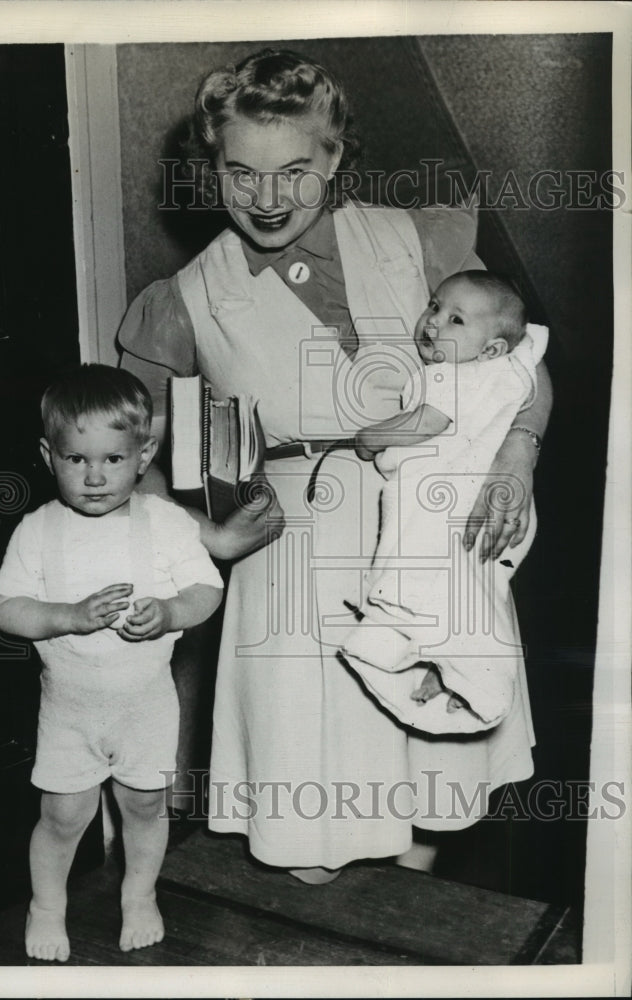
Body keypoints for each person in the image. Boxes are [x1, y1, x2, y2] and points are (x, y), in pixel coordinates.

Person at [117, 49, 552, 882]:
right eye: (241, 173)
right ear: (212, 168)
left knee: (433, 803)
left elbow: (518, 369)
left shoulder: (415, 240)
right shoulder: (185, 298)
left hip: (435, 530)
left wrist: (516, 455)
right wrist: (205, 533)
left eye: (293, 171)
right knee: (316, 840)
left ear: (334, 159)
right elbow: (128, 451)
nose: (268, 198)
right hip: (295, 554)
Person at [0, 364, 223, 961]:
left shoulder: (165, 523)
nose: (94, 477)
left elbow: (207, 589)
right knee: (64, 815)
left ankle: (139, 894)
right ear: (49, 455)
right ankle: (47, 906)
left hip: (145, 705)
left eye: (113, 460)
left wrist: (170, 613)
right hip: (69, 711)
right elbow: (4, 608)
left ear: (143, 455)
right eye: (76, 460)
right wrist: (67, 616)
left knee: (145, 805)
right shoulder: (38, 530)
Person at [342, 271, 548, 734]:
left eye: (456, 320)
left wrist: (371, 437)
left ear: (492, 348)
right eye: (435, 307)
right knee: (464, 597)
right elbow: (532, 347)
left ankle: (461, 666)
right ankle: (446, 662)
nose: (434, 322)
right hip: (480, 506)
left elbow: (427, 422)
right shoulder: (500, 369)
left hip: (456, 503)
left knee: (425, 581)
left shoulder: (454, 375)